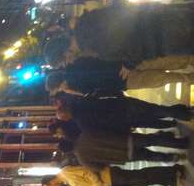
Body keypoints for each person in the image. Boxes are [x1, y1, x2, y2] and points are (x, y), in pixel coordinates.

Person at [43, 3, 194, 66]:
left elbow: (132, 46)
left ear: (64, 52)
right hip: (160, 15)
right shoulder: (86, 21)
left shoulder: (96, 46)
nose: (68, 63)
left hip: (164, 38)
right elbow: (119, 9)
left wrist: (129, 64)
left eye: (63, 61)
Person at [55, 92, 192, 133]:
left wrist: (124, 128)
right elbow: (99, 95)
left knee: (150, 120)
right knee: (154, 109)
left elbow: (106, 129)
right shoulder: (81, 101)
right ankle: (182, 112)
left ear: (66, 117)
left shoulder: (83, 125)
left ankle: (182, 112)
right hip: (122, 105)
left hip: (125, 120)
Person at [47, 57, 193, 95]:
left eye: (59, 89)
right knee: (162, 63)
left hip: (123, 81)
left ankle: (189, 78)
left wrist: (72, 91)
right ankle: (189, 60)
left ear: (59, 84)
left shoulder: (74, 85)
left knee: (160, 79)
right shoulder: (76, 63)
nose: (62, 90)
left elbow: (93, 93)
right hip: (121, 64)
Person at [57, 132, 187, 170]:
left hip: (124, 155)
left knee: (149, 156)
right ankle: (180, 143)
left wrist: (106, 161)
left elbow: (97, 168)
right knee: (152, 140)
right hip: (124, 139)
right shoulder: (84, 134)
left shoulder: (82, 158)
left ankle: (172, 158)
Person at [41, 164, 182, 186]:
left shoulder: (65, 172)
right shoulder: (66, 184)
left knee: (141, 175)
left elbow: (87, 171)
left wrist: (98, 185)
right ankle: (167, 180)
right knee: (142, 182)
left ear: (51, 182)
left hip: (109, 177)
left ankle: (171, 170)